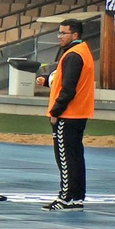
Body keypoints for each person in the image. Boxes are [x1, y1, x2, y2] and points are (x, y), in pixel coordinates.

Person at [36, 18, 95, 211]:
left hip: (68, 114)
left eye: (63, 33)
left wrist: (55, 111)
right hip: (79, 113)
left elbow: (68, 89)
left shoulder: (72, 55)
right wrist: (47, 81)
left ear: (75, 35)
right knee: (76, 156)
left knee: (65, 158)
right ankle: (76, 198)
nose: (59, 36)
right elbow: (67, 82)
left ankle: (66, 197)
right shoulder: (83, 52)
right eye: (59, 33)